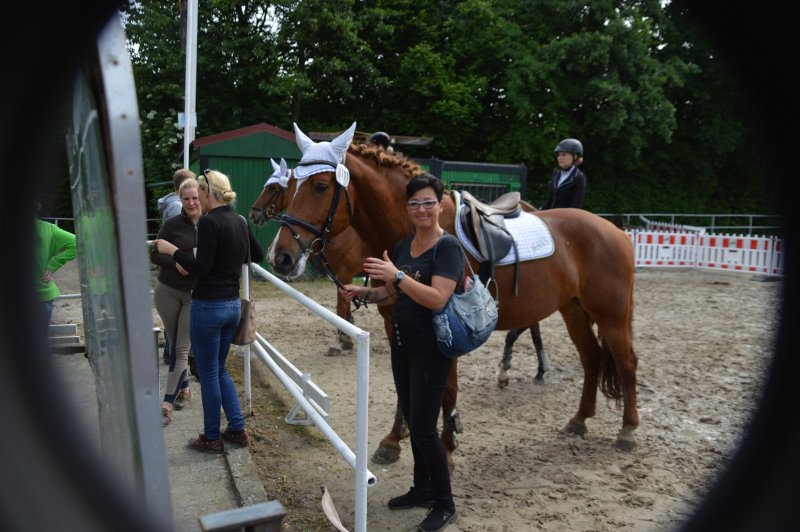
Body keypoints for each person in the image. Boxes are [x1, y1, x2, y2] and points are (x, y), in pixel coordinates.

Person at [340, 174, 462, 532]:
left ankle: (445, 504)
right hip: (402, 345)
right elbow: (394, 293)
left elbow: (437, 298)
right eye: (414, 204)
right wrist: (365, 293)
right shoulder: (405, 245)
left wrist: (396, 276)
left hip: (431, 350)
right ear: (407, 208)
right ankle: (421, 490)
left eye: (428, 203)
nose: (422, 209)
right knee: (412, 418)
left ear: (440, 205)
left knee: (423, 430)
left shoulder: (448, 247)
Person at [154, 169, 264, 453]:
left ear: (206, 193)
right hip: (232, 305)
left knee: (208, 373)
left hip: (208, 307)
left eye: (199, 194)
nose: (196, 201)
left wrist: (172, 251)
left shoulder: (209, 222)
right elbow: (258, 254)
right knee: (219, 369)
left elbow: (200, 268)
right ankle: (237, 428)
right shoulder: (239, 220)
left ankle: (212, 436)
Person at [150, 178, 201, 427]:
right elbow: (155, 254)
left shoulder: (210, 224)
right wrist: (176, 263)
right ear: (180, 200)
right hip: (167, 292)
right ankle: (185, 388)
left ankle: (166, 405)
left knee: (181, 350)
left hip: (194, 295)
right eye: (186, 199)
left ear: (202, 197)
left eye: (195, 198)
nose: (191, 203)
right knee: (175, 346)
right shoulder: (172, 224)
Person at [35, 215, 77, 343]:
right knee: (39, 342)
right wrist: (52, 265)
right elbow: (76, 243)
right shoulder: (47, 228)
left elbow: (76, 243)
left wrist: (52, 265)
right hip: (42, 295)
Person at [541, 138, 586, 209]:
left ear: (575, 156)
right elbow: (549, 201)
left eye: (564, 155)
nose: (560, 158)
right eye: (559, 155)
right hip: (551, 214)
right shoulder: (556, 174)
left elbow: (576, 206)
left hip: (566, 215)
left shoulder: (579, 177)